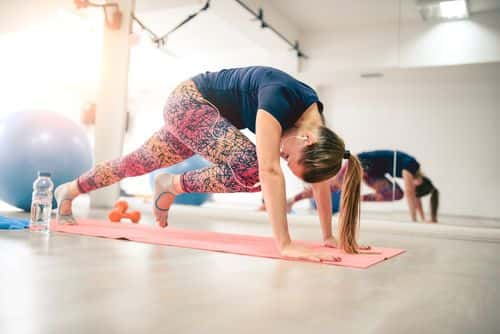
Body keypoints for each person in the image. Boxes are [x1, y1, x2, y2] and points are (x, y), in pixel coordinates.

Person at [55, 66, 369, 261]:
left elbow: (318, 180)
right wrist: (285, 244)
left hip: (204, 118)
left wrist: (328, 235)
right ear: (307, 141)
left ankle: (69, 190)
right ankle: (170, 185)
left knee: (134, 164)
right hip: (189, 104)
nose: (282, 158)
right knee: (252, 167)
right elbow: (269, 170)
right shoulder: (279, 98)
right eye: (289, 158)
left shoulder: (313, 129)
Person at [286, 150, 439, 222]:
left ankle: (354, 199)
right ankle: (293, 200)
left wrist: (425, 218)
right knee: (334, 186)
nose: (411, 187)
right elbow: (411, 193)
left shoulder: (416, 174)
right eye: (415, 187)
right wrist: (414, 221)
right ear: (419, 182)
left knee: (396, 193)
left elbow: (414, 195)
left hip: (374, 173)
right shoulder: (411, 166)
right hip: (360, 162)